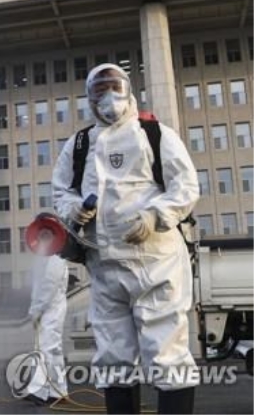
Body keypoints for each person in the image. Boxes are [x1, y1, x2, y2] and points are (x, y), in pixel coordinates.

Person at [52, 63, 200, 414]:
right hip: (104, 267)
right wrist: (75, 210)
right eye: (99, 90)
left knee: (168, 355)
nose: (109, 98)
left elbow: (186, 186)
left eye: (114, 87)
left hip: (157, 264)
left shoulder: (155, 134)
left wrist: (155, 216)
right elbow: (61, 192)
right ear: (89, 98)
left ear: (129, 89)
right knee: (113, 359)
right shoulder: (80, 145)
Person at [26, 255, 69, 405]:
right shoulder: (47, 257)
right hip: (49, 308)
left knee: (45, 349)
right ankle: (58, 391)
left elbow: (49, 285)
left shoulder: (55, 258)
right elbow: (38, 286)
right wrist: (35, 309)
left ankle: (39, 391)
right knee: (53, 351)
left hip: (52, 308)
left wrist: (36, 309)